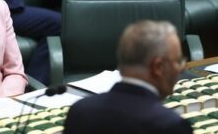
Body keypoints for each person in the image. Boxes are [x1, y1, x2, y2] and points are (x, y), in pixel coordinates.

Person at [64, 20, 193, 134]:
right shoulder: (170, 125)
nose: (181, 68)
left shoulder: (80, 111)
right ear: (158, 67)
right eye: (177, 61)